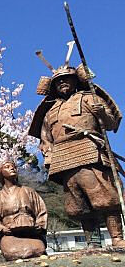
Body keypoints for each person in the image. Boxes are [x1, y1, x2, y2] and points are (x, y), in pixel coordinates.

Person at [29, 61, 125, 248]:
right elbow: (45, 138)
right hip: (64, 158)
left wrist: (102, 115)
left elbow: (112, 124)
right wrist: (48, 155)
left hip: (89, 149)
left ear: (75, 81)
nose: (62, 84)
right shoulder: (50, 110)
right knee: (78, 205)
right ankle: (93, 242)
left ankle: (117, 238)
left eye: (66, 80)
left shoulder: (90, 98)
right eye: (58, 82)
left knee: (106, 198)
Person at [0, 161, 48, 261]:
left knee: (38, 250)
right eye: (7, 167)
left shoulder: (29, 191)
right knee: (13, 252)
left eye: (13, 167)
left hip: (31, 233)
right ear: (1, 173)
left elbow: (41, 210)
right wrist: (2, 228)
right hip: (10, 234)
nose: (12, 168)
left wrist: (39, 225)